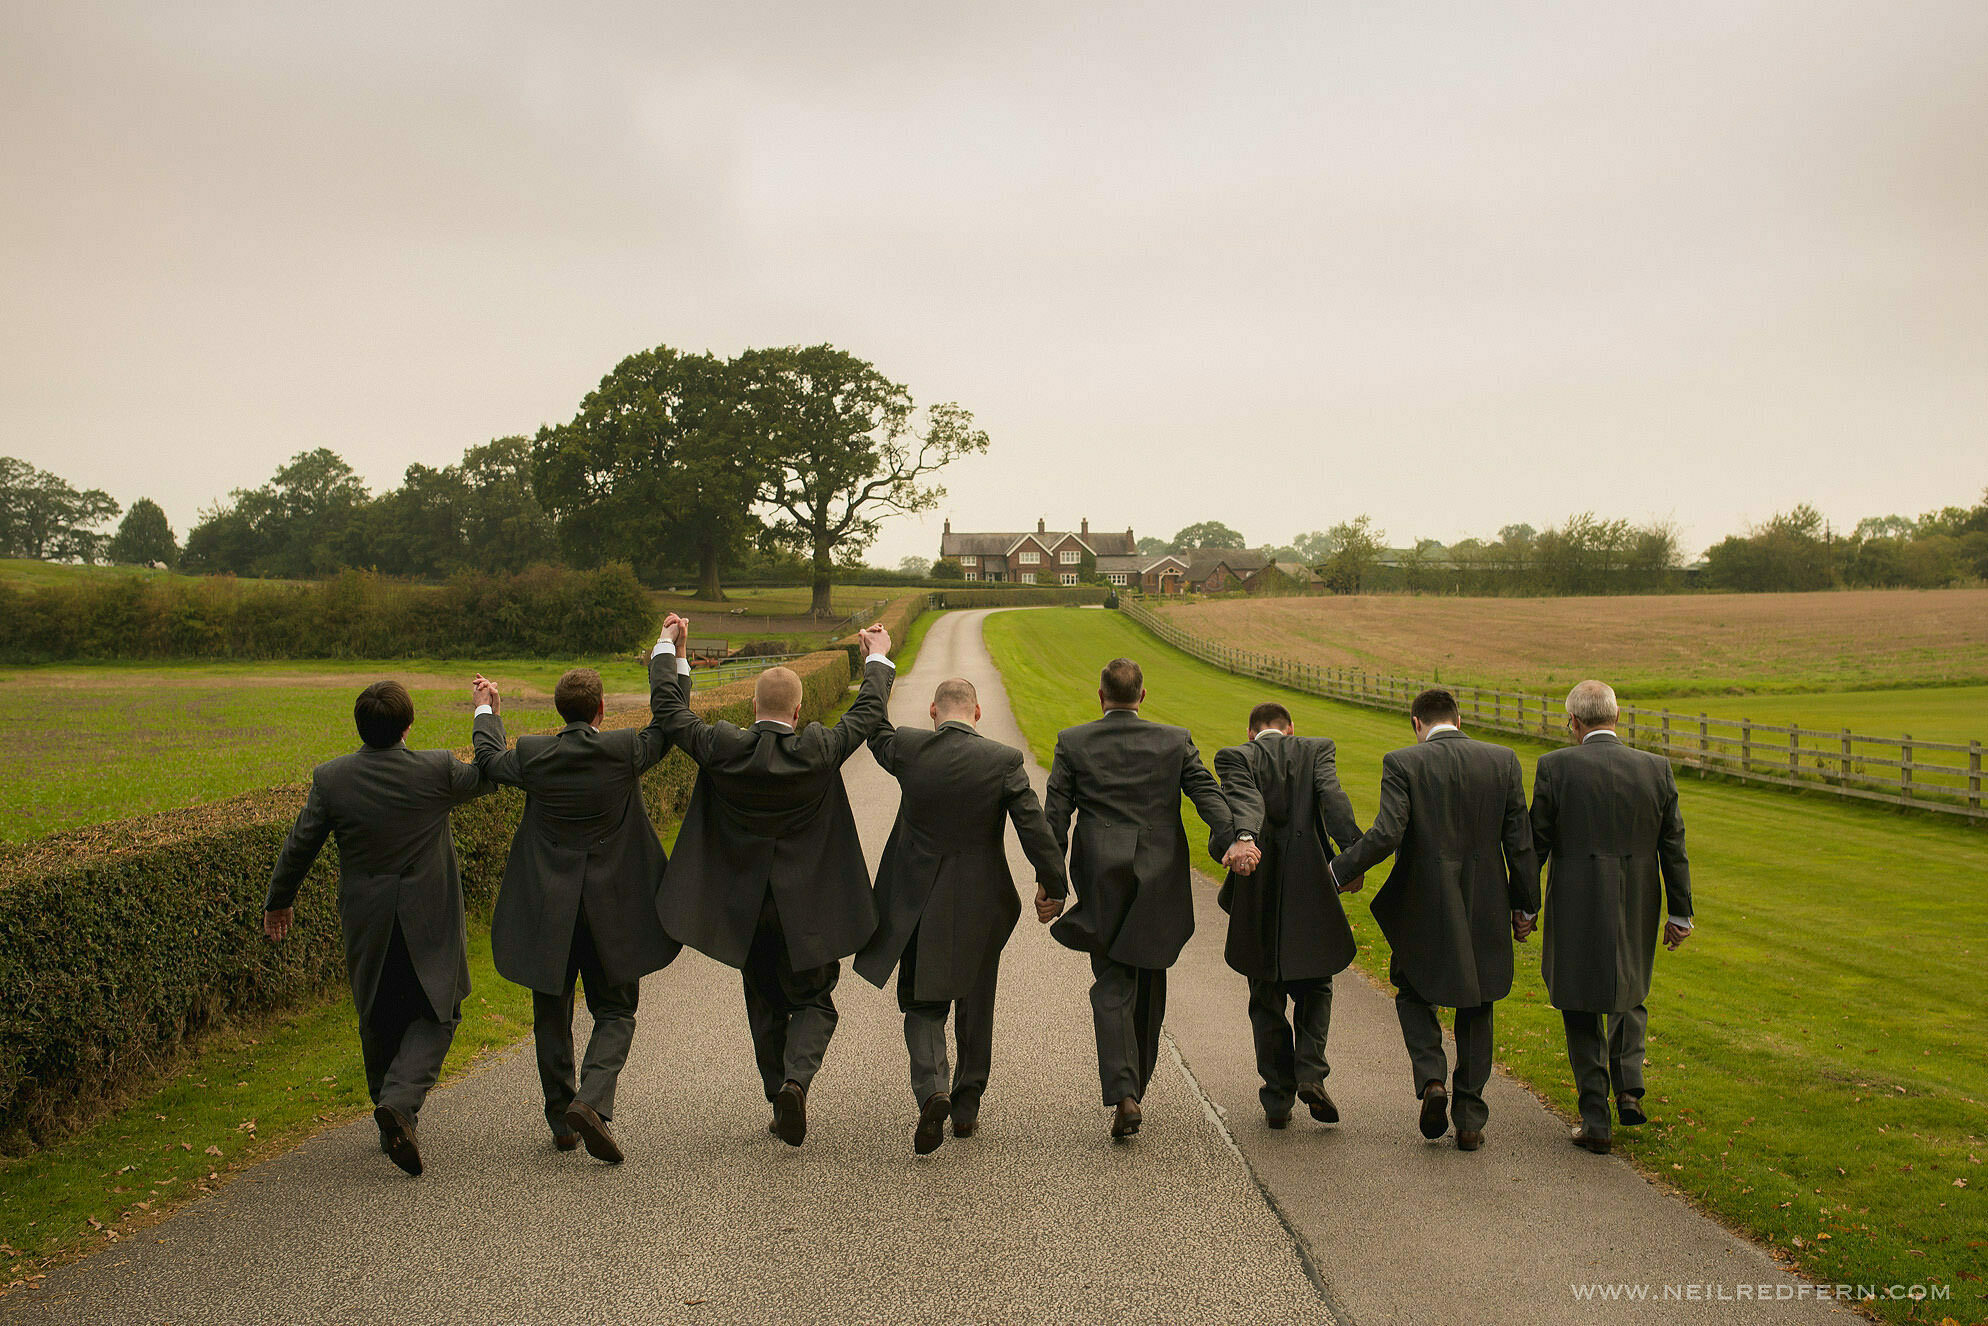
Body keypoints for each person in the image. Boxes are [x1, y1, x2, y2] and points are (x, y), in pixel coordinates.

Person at [652, 614, 895, 1146]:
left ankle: (777, 1094)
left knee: (761, 997)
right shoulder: (820, 750)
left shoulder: (722, 746)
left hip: (742, 908)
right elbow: (870, 711)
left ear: (752, 707)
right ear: (800, 710)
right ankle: (795, 1083)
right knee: (814, 999)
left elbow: (670, 713)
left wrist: (672, 649)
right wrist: (875, 653)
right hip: (807, 907)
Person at [264, 681, 493, 1176]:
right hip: (428, 915)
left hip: (367, 917)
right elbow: (488, 778)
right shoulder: (435, 769)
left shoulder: (332, 779)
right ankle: (399, 1104)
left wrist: (278, 902)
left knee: (377, 1010)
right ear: (408, 726)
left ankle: (387, 1113)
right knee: (440, 1011)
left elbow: (300, 844)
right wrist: (484, 713)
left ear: (360, 727)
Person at [470, 650, 686, 1164]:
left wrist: (487, 709)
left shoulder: (532, 754)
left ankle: (561, 1122)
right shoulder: (623, 750)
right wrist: (669, 655)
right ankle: (591, 1099)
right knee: (616, 1009)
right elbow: (669, 723)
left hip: (549, 909)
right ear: (602, 711)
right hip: (612, 910)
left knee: (551, 1012)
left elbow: (487, 760)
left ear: (559, 710)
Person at [856, 676, 1069, 1154]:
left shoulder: (909, 748)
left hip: (917, 900)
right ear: (977, 713)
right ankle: (966, 1109)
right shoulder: (1002, 761)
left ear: (933, 711)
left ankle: (933, 1089)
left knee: (923, 1004)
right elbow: (1033, 827)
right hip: (981, 901)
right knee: (976, 1003)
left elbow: (872, 726)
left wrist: (877, 664)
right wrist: (1052, 885)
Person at [1326, 688, 1538, 1151]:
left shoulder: (1404, 762)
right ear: (1458, 719)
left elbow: (1386, 834)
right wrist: (1525, 906)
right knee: (1479, 1003)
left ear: (1416, 724)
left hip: (1423, 899)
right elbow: (1520, 842)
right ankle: (1469, 1119)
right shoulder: (1502, 761)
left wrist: (1337, 871)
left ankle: (1431, 1080)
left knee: (1412, 991)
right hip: (1486, 901)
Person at [1044, 656, 1245, 1141]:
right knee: (1150, 980)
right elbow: (1206, 794)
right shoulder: (1173, 739)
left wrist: (1050, 883)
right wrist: (1237, 835)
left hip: (1100, 871)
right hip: (1159, 871)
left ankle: (1125, 1089)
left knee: (1112, 976)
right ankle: (1134, 1087)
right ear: (1143, 696)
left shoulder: (1074, 741)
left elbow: (1055, 814)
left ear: (1100, 696)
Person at [1530, 679, 1694, 1155]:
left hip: (1575, 900)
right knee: (1631, 984)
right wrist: (1680, 912)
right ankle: (1628, 1085)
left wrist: (1523, 905)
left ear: (1574, 723)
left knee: (1579, 1002)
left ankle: (1595, 1118)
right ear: (1617, 718)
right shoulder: (1655, 769)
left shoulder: (1554, 767)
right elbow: (1674, 848)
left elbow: (1535, 844)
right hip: (1638, 897)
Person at [1213, 701, 1366, 1129]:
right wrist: (1352, 859)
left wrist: (1229, 844)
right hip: (1309, 885)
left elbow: (1236, 809)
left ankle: (1277, 1098)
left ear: (1250, 733)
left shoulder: (1234, 757)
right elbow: (1333, 801)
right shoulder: (1317, 749)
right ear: (1291, 729)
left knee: (1265, 997)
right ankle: (1311, 1073)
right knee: (1317, 985)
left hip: (1257, 884)